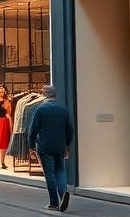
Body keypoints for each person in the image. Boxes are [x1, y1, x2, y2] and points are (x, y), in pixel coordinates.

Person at [27, 84, 75, 212]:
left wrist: (31, 146)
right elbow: (70, 130)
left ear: (44, 94)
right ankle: (63, 193)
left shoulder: (40, 109)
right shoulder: (63, 110)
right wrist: (66, 145)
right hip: (60, 146)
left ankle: (54, 203)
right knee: (60, 171)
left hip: (45, 146)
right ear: (55, 95)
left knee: (50, 173)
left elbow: (33, 130)